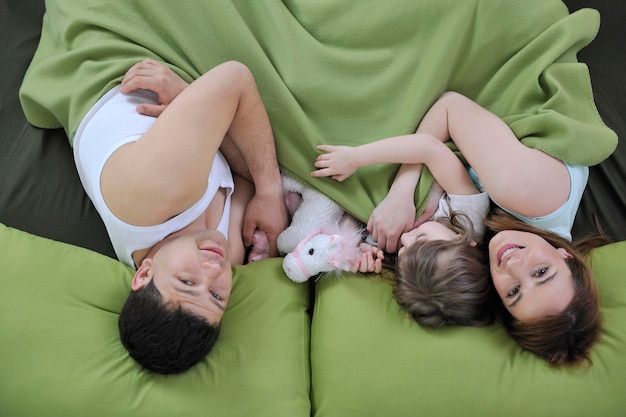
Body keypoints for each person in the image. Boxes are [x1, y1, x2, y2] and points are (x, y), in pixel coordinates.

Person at [315, 91, 606, 366]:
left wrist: (362, 250)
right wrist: (401, 193)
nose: (513, 264)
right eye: (541, 272)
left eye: (514, 291)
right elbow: (450, 107)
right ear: (565, 256)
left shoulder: (479, 251)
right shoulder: (527, 193)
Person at [73, 59, 289, 374]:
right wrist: (190, 98)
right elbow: (247, 172)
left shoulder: (153, 193)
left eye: (187, 282)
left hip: (119, 68)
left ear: (143, 274)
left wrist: (270, 191)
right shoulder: (228, 249)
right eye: (216, 295)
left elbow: (236, 78)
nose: (213, 271)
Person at [312, 92, 493, 327]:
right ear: (464, 240)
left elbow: (354, 210)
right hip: (391, 143)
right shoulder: (470, 217)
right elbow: (431, 148)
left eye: (403, 251)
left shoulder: (408, 262)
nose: (405, 236)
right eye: (420, 236)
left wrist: (354, 245)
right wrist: (398, 191)